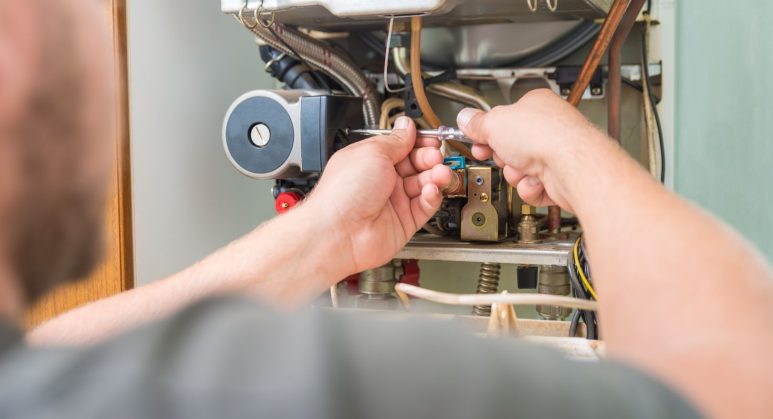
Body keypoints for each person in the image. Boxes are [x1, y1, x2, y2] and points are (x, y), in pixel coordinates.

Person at [1, 1, 771, 418]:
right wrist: (579, 157)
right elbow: (739, 387)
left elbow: (58, 357)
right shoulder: (303, 382)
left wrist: (325, 234)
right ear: (16, 39)